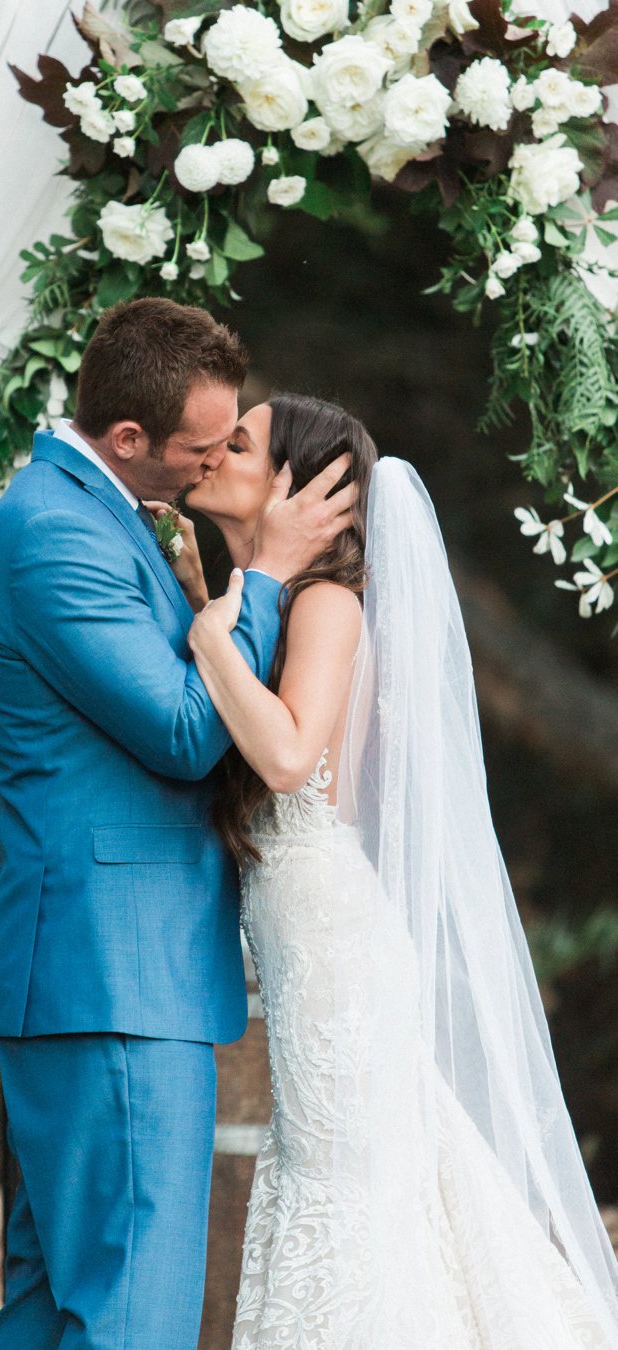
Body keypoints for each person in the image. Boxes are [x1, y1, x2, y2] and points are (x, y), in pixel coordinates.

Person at [156, 391, 618, 1347]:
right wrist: (217, 606)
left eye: (240, 442)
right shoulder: (282, 603)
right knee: (348, 1190)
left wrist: (206, 636)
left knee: (346, 1200)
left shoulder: (327, 604)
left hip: (340, 968)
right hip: (311, 958)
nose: (212, 452)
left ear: (302, 486)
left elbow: (287, 759)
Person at [0, 302, 357, 1349]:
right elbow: (189, 733)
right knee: (130, 1313)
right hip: (114, 970)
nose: (213, 463)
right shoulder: (57, 532)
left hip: (103, 969)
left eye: (235, 442)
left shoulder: (94, 516)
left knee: (54, 1309)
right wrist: (266, 577)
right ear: (128, 439)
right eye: (201, 448)